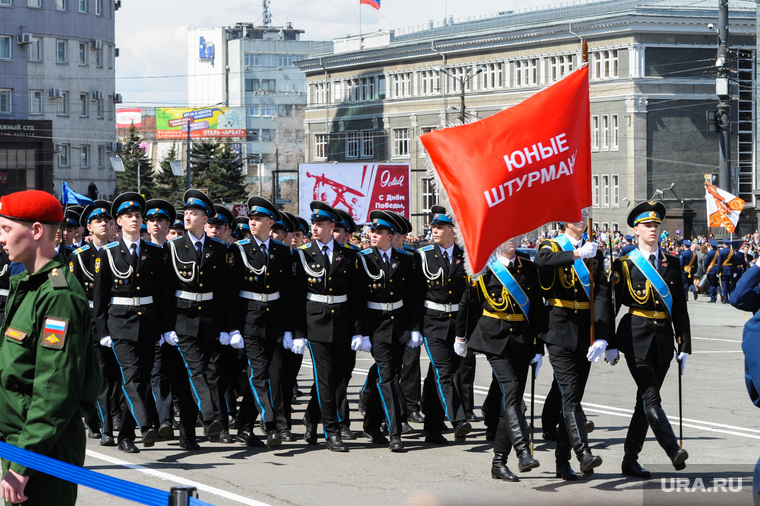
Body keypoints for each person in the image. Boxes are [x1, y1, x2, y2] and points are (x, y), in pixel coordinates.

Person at [0, 190, 100, 506]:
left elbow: (55, 389)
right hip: (23, 441)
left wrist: (23, 464)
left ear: (37, 230)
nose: (1, 238)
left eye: (6, 229)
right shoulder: (30, 286)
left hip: (43, 450)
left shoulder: (58, 296)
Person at [610, 201, 690, 477]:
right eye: (647, 225)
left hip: (664, 340)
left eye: (656, 225)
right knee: (650, 396)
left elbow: (679, 307)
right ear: (636, 230)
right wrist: (608, 342)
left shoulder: (673, 262)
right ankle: (672, 449)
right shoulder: (625, 264)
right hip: (635, 336)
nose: (653, 229)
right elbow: (611, 306)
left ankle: (630, 459)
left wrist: (685, 345)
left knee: (642, 403)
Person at [535, 208, 614, 480]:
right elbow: (543, 262)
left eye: (583, 214)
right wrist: (577, 255)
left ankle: (561, 462)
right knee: (570, 393)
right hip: (558, 327)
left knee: (573, 398)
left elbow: (602, 296)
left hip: (585, 331)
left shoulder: (595, 251)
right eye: (574, 214)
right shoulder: (552, 245)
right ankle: (583, 453)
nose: (580, 219)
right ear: (563, 220)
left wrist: (604, 336)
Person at [457, 239, 545, 481]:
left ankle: (498, 463)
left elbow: (536, 307)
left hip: (522, 340)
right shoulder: (484, 267)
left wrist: (539, 347)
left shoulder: (528, 266)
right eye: (507, 237)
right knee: (511, 389)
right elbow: (469, 303)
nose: (512, 242)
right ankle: (523, 452)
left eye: (516, 237)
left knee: (512, 401)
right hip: (493, 337)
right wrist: (460, 336)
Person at [92, 193, 168, 454]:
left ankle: (126, 435)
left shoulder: (155, 253)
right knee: (130, 375)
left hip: (148, 323)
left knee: (142, 380)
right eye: (129, 216)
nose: (134, 219)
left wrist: (164, 328)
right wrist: (102, 330)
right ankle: (146, 426)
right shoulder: (108, 253)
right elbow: (100, 297)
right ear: (119, 222)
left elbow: (162, 295)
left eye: (137, 216)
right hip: (120, 324)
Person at [162, 190, 229, 450]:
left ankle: (191, 432)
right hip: (183, 319)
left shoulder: (219, 249)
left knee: (209, 373)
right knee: (193, 372)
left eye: (194, 213)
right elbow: (166, 290)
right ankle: (208, 418)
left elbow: (225, 292)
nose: (188, 217)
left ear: (205, 219)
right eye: (187, 213)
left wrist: (227, 327)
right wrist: (167, 327)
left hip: (210, 319)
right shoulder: (174, 247)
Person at [294, 202, 363, 452]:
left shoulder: (348, 254)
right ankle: (331, 432)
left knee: (340, 378)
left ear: (331, 226)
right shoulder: (302, 253)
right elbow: (297, 296)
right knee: (324, 378)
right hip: (316, 322)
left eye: (320, 224)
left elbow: (356, 296)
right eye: (313, 223)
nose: (314, 227)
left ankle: (312, 418)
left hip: (343, 321)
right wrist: (299, 333)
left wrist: (359, 330)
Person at [228, 197, 294, 448]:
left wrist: (290, 329)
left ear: (270, 222)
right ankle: (271, 424)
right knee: (258, 373)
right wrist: (233, 327)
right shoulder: (239, 249)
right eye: (251, 219)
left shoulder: (282, 251)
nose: (253, 223)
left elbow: (288, 293)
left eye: (258, 219)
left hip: (274, 319)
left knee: (270, 373)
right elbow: (232, 292)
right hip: (250, 318)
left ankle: (245, 426)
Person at [357, 210, 417, 452]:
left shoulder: (405, 259)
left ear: (391, 236)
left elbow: (412, 297)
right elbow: (358, 299)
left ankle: (371, 423)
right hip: (376, 325)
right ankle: (395, 431)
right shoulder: (362, 259)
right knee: (388, 377)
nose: (374, 235)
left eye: (379, 232)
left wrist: (414, 329)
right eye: (372, 231)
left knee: (388, 373)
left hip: (400, 325)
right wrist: (360, 332)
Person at [416, 205, 471, 445]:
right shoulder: (423, 255)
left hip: (457, 324)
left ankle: (432, 427)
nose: (435, 230)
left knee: (436, 377)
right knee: (444, 372)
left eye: (440, 227)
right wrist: (415, 327)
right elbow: (415, 294)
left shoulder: (465, 257)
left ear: (453, 230)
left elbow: (470, 295)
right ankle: (458, 419)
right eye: (434, 226)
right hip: (432, 322)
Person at [69, 200, 121, 447]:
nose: (104, 224)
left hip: (117, 318)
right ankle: (100, 421)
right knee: (98, 375)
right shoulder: (79, 257)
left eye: (107, 221)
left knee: (117, 374)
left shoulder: (120, 252)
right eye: (98, 221)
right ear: (88, 228)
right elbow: (72, 294)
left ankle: (116, 416)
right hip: (90, 321)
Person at [718, 239, 735, 304]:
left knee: (724, 284)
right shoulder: (732, 252)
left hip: (724, 269)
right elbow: (734, 262)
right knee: (730, 284)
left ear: (724, 244)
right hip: (731, 269)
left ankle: (726, 299)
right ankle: (731, 298)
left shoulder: (721, 252)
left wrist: (718, 271)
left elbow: (719, 263)